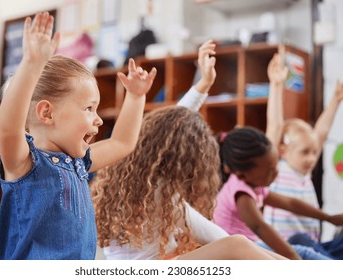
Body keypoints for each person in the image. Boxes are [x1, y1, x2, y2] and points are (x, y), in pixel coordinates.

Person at [91, 41, 286, 260]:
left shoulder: (133, 179)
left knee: (238, 246)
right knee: (237, 245)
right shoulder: (164, 197)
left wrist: (204, 84)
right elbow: (224, 240)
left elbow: (169, 127)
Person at [0, 12, 156, 260]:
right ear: (47, 113)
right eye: (88, 108)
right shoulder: (24, 163)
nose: (99, 119)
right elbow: (8, 127)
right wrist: (31, 65)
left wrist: (135, 98)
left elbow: (122, 143)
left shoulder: (79, 163)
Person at [213, 126, 343, 260]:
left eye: (276, 166)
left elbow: (290, 204)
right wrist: (293, 257)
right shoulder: (241, 194)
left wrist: (329, 218)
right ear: (242, 175)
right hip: (239, 254)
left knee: (300, 239)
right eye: (269, 171)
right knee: (302, 252)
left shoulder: (252, 184)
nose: (276, 173)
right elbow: (260, 227)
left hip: (251, 246)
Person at [262, 51, 343, 259]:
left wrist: (335, 99)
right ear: (282, 151)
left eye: (314, 152)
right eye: (305, 152)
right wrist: (277, 85)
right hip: (287, 249)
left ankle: (329, 260)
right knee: (301, 240)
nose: (311, 158)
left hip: (315, 247)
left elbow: (321, 133)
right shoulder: (275, 170)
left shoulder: (304, 171)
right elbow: (274, 125)